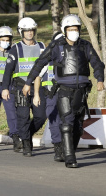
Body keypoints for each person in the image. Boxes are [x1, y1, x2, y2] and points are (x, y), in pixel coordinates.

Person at [22, 14, 105, 168]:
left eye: (76, 29)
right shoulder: (56, 46)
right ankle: (69, 158)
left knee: (78, 127)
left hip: (82, 90)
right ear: (64, 31)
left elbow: (97, 63)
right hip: (64, 90)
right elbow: (39, 63)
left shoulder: (85, 46)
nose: (74, 32)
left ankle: (70, 149)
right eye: (71, 29)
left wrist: (100, 78)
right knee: (67, 123)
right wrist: (28, 83)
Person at [1, 17, 47, 157]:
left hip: (38, 87)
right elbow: (8, 70)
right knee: (23, 117)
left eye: (32, 30)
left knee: (41, 116)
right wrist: (5, 88)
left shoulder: (41, 47)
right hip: (21, 88)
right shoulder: (15, 48)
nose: (29, 33)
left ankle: (27, 134)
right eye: (26, 31)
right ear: (21, 32)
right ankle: (27, 144)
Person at [35, 32, 64, 162]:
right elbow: (38, 77)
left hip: (67, 95)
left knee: (68, 121)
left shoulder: (71, 58)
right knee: (54, 121)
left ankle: (67, 146)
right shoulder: (48, 60)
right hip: (51, 96)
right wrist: (36, 94)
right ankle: (58, 147)